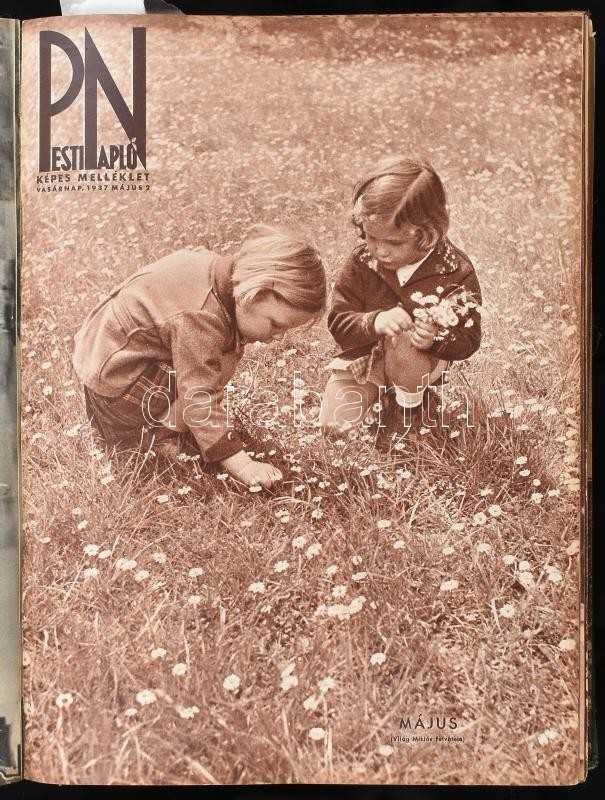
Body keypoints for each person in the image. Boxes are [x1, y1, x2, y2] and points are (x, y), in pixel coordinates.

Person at [73, 224, 326, 488]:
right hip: (118, 389)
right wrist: (242, 464)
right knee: (215, 361)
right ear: (253, 294)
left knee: (214, 355)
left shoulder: (215, 271)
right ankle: (157, 435)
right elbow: (199, 395)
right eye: (275, 324)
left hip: (107, 362)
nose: (277, 337)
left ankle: (168, 425)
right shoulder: (202, 319)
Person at [320, 156, 482, 431]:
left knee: (404, 342)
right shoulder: (362, 262)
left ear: (427, 233)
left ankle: (409, 407)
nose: (379, 250)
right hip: (365, 357)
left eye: (394, 242)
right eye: (371, 237)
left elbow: (468, 340)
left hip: (418, 361)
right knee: (333, 426)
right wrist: (374, 321)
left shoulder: (454, 270)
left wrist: (435, 339)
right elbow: (339, 322)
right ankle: (380, 392)